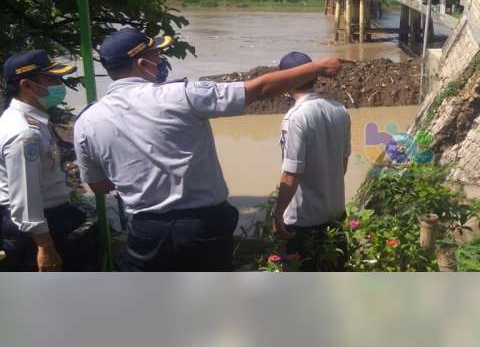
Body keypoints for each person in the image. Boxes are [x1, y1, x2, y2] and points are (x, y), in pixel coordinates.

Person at [73, 28, 340, 272]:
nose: (161, 61)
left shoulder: (86, 121)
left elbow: (98, 186)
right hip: (202, 228)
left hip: (145, 232)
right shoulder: (181, 95)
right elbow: (258, 89)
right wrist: (317, 66)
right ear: (142, 64)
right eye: (157, 55)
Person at [0, 50, 89, 271]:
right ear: (27, 86)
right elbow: (25, 197)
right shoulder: (24, 133)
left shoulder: (34, 121)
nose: (59, 85)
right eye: (52, 79)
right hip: (35, 231)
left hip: (46, 222)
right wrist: (45, 247)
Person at [271, 51, 351, 272]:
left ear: (286, 79)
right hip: (335, 213)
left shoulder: (296, 117)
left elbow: (291, 173)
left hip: (302, 221)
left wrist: (278, 215)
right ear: (314, 76)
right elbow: (342, 164)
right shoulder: (340, 110)